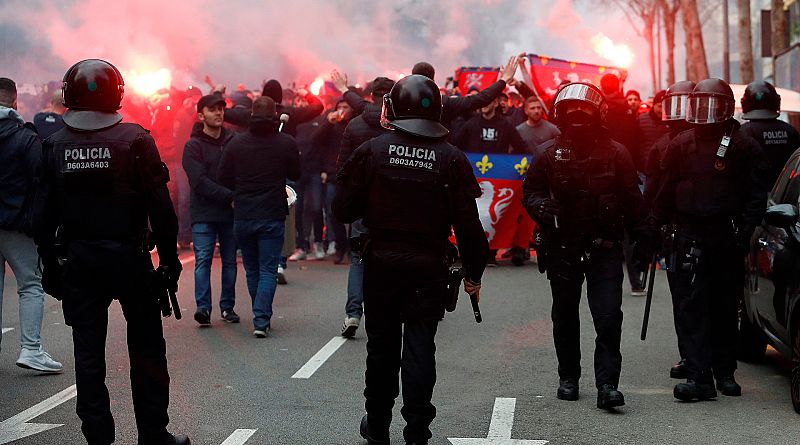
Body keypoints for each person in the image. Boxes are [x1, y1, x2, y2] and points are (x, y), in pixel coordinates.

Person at [34, 59, 189, 445]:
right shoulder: (137, 139)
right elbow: (162, 209)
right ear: (118, 93)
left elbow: (41, 217)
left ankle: (98, 438)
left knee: (88, 357)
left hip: (80, 262)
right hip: (130, 259)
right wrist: (169, 262)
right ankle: (154, 435)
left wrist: (51, 270)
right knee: (148, 351)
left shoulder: (52, 145)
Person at [334, 74, 488, 445]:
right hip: (427, 265)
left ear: (392, 108)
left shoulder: (372, 150)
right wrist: (474, 273)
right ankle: (417, 430)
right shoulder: (451, 157)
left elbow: (342, 208)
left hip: (382, 263)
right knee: (420, 347)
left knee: (382, 347)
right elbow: (470, 226)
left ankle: (378, 426)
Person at [523, 82, 643, 410]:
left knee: (607, 317)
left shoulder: (617, 153)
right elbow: (530, 192)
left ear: (597, 113)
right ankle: (569, 377)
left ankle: (607, 384)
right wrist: (541, 208)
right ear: (560, 114)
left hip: (604, 248)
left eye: (584, 110)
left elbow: (634, 202)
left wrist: (643, 240)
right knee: (564, 315)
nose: (577, 116)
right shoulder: (547, 153)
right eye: (570, 111)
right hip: (562, 247)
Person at [650, 78, 770, 401]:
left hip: (727, 236)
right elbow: (665, 190)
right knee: (693, 307)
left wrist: (744, 232)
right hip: (689, 233)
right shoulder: (681, 143)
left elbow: (756, 195)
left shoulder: (744, 145)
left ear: (727, 108)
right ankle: (700, 376)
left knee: (726, 306)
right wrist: (652, 228)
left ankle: (725, 371)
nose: (704, 113)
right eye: (698, 104)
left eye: (711, 105)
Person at [218, 96, 300, 338]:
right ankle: (261, 318)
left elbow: (223, 177)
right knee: (267, 269)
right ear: (275, 116)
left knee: (252, 269)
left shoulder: (236, 143)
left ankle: (260, 314)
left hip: (243, 213)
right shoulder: (286, 143)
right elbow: (296, 173)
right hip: (272, 214)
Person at [0, 77, 63, 373]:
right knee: (30, 284)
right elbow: (42, 181)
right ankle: (31, 349)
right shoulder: (25, 137)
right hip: (16, 226)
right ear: (14, 102)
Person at [642, 80, 695, 380]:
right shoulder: (663, 146)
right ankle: (693, 356)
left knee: (694, 297)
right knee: (685, 297)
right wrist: (650, 227)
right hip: (676, 228)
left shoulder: (715, 142)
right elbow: (652, 191)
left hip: (697, 226)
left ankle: (703, 358)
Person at [337, 77, 395, 339]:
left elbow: (342, 167)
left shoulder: (354, 125)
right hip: (390, 203)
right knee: (390, 257)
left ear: (371, 95)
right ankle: (386, 311)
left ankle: (352, 313)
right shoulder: (398, 128)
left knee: (358, 259)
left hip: (361, 204)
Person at [332, 55, 519, 131]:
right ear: (433, 80)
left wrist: (343, 89)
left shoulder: (397, 102)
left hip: (403, 157)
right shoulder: (445, 103)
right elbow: (479, 100)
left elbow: (362, 106)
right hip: (437, 160)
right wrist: (502, 81)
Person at [182, 95, 238, 326]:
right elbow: (198, 181)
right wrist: (230, 196)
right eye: (212, 109)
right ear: (201, 115)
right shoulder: (193, 146)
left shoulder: (233, 142)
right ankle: (203, 308)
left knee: (230, 261)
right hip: (204, 212)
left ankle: (228, 307)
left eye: (221, 109)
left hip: (230, 213)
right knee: (203, 259)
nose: (218, 113)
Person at [314, 99, 354, 263]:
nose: (342, 110)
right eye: (339, 107)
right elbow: (316, 141)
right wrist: (327, 124)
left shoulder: (355, 125)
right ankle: (340, 245)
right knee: (331, 212)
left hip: (352, 175)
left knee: (354, 213)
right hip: (333, 174)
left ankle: (353, 247)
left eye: (346, 107)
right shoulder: (331, 124)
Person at [739, 80, 800, 186]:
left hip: (753, 197)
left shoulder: (742, 133)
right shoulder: (790, 131)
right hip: (787, 194)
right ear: (776, 102)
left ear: (745, 104)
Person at [223, 80, 323, 137]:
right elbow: (318, 107)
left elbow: (225, 113)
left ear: (263, 95)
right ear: (280, 97)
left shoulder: (251, 114)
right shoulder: (290, 114)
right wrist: (306, 94)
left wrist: (217, 94)